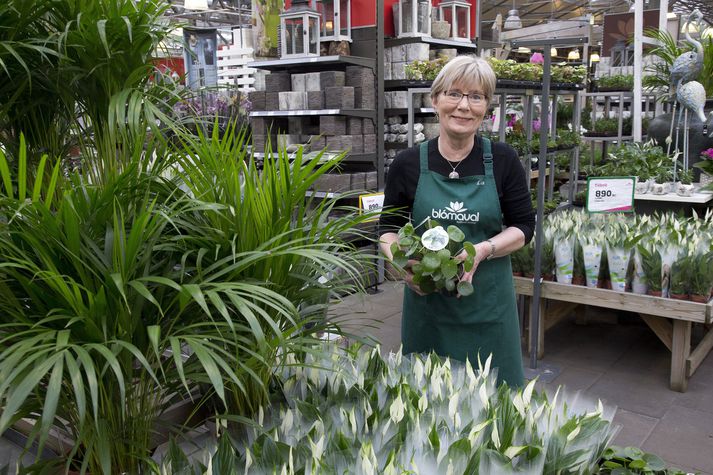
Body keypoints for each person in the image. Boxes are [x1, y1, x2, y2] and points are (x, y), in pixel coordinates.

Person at [379, 55, 535, 387]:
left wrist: (483, 249)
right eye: (454, 94)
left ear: (486, 107)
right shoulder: (408, 163)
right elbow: (387, 229)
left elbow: (524, 227)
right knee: (427, 400)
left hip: (488, 308)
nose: (464, 106)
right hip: (428, 310)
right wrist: (401, 263)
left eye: (476, 97)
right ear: (435, 100)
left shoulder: (504, 161)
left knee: (495, 402)